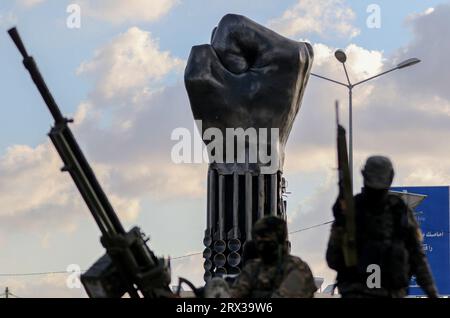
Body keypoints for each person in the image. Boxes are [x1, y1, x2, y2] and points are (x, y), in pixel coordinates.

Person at [326, 155, 438, 298]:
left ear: (364, 175)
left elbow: (332, 259)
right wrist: (432, 293)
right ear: (390, 177)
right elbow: (418, 258)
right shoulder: (399, 210)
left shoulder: (350, 211)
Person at [230, 216, 317, 298]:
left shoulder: (297, 267)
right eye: (257, 238)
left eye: (265, 237)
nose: (260, 242)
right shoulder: (254, 267)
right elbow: (237, 293)